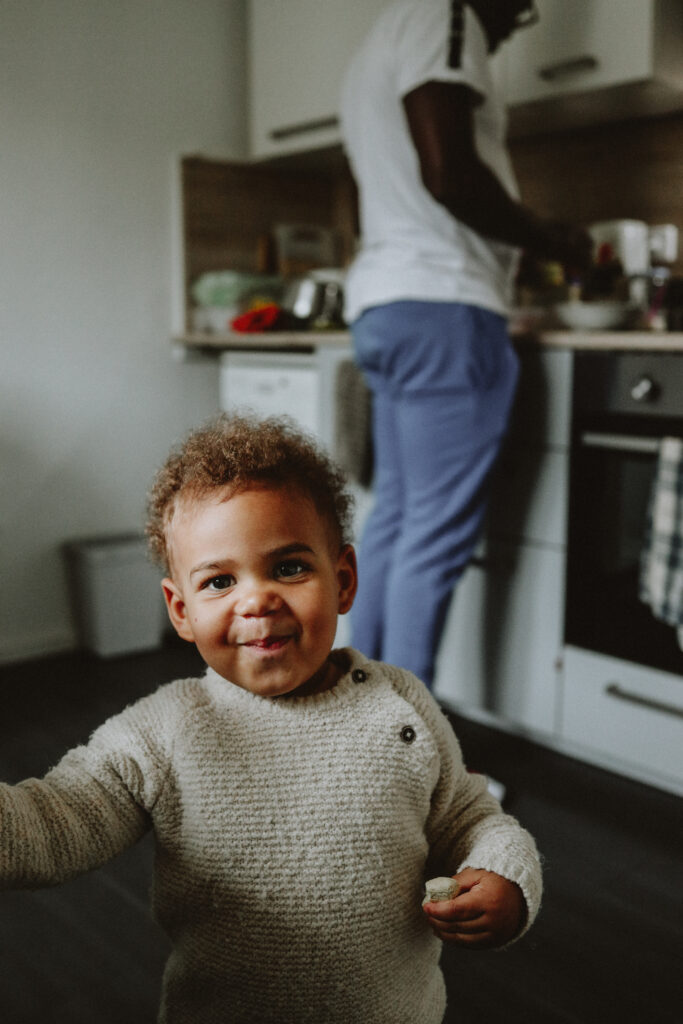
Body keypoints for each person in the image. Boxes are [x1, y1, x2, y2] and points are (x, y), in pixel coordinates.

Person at [0, 413, 543, 1024]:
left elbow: (470, 817)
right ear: (180, 610)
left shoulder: (399, 705)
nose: (256, 599)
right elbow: (53, 823)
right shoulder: (163, 732)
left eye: (288, 567)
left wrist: (504, 875)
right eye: (220, 581)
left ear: (342, 581)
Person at [340, 0, 593, 687]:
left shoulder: (384, 34)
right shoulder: (442, 14)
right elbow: (449, 174)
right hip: (443, 306)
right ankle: (407, 757)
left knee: (395, 518)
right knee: (432, 538)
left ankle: (361, 729)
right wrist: (553, 239)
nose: (519, 19)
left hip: (387, 304)